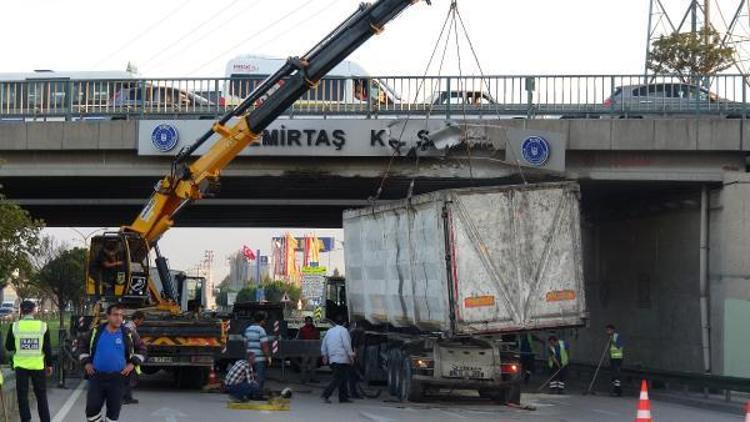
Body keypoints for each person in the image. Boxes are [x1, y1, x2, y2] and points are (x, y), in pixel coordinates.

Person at [79, 304, 147, 422]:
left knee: (113, 414)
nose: (119, 318)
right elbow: (81, 346)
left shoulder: (128, 333)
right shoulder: (96, 331)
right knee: (91, 411)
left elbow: (142, 349)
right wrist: (86, 363)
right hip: (97, 377)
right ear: (108, 316)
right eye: (115, 315)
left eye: (121, 315)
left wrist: (132, 364)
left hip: (118, 379)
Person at [5, 300, 53, 422]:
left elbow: (9, 346)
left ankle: (26, 420)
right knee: (41, 396)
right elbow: (47, 347)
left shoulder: (14, 326)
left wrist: (20, 344)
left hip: (21, 367)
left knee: (22, 397)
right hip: (38, 366)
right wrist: (50, 365)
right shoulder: (43, 326)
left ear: (21, 311)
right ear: (34, 310)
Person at [320, 314, 354, 404]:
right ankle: (326, 394)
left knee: (342, 378)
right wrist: (351, 356)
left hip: (332, 359)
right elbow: (347, 344)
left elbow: (324, 344)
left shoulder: (330, 331)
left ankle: (343, 398)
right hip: (341, 358)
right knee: (338, 378)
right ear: (345, 323)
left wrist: (324, 355)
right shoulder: (344, 331)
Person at [244, 312, 271, 397]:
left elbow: (245, 344)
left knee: (250, 377)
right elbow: (264, 346)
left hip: (250, 358)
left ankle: (250, 394)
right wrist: (268, 357)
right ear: (262, 321)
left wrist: (249, 354)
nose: (265, 322)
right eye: (264, 320)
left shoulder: (248, 329)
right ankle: (258, 395)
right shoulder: (261, 330)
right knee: (260, 378)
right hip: (259, 359)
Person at [122, 311, 146, 405]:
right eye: (141, 320)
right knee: (126, 378)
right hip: (128, 357)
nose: (142, 323)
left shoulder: (131, 327)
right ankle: (124, 398)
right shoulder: (130, 328)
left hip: (130, 356)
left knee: (129, 378)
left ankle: (128, 397)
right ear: (137, 319)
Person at [296, 316, 320, 384]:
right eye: (308, 321)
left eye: (310, 321)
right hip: (307, 350)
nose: (309, 322)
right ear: (306, 322)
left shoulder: (314, 329)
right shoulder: (303, 329)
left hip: (311, 349)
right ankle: (304, 379)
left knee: (312, 365)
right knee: (305, 365)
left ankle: (310, 378)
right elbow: (300, 339)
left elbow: (317, 338)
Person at [606, 324, 624, 397]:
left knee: (616, 375)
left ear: (612, 330)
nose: (607, 331)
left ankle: (618, 390)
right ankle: (615, 389)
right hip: (612, 358)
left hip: (617, 359)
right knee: (613, 375)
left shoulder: (617, 336)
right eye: (607, 330)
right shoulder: (610, 337)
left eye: (608, 330)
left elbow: (619, 345)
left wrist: (612, 341)